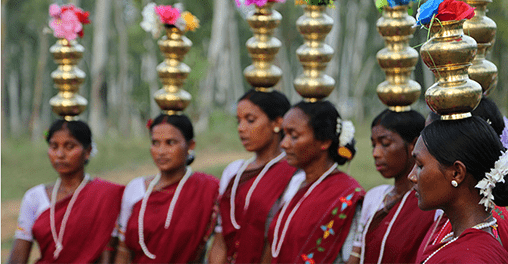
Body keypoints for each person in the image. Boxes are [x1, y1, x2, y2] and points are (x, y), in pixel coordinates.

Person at [422, 97, 508, 264]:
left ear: (457, 172)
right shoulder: (465, 225)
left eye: (420, 164)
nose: (412, 176)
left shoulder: (477, 248)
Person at [8, 119, 124, 264]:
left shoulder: (107, 194)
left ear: (87, 151)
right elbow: (18, 255)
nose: (60, 154)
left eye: (69, 146)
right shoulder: (34, 197)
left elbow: (110, 251)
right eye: (54, 146)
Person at [263, 100, 365, 264]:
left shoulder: (347, 195)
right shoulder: (294, 183)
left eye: (294, 136)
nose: (284, 144)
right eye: (284, 135)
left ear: (324, 141)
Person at [209, 89, 299, 264]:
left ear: (278, 123)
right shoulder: (234, 171)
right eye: (239, 121)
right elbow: (221, 237)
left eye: (250, 120)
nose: (241, 128)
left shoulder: (293, 173)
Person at [115, 114, 219, 263]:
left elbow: (222, 244)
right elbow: (122, 250)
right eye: (155, 143)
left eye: (170, 143)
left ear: (190, 146)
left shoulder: (209, 189)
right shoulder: (135, 189)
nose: (161, 151)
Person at [347, 109, 438, 264]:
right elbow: (356, 257)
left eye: (385, 144)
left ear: (414, 146)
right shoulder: (374, 197)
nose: (376, 153)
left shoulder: (433, 206)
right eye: (373, 145)